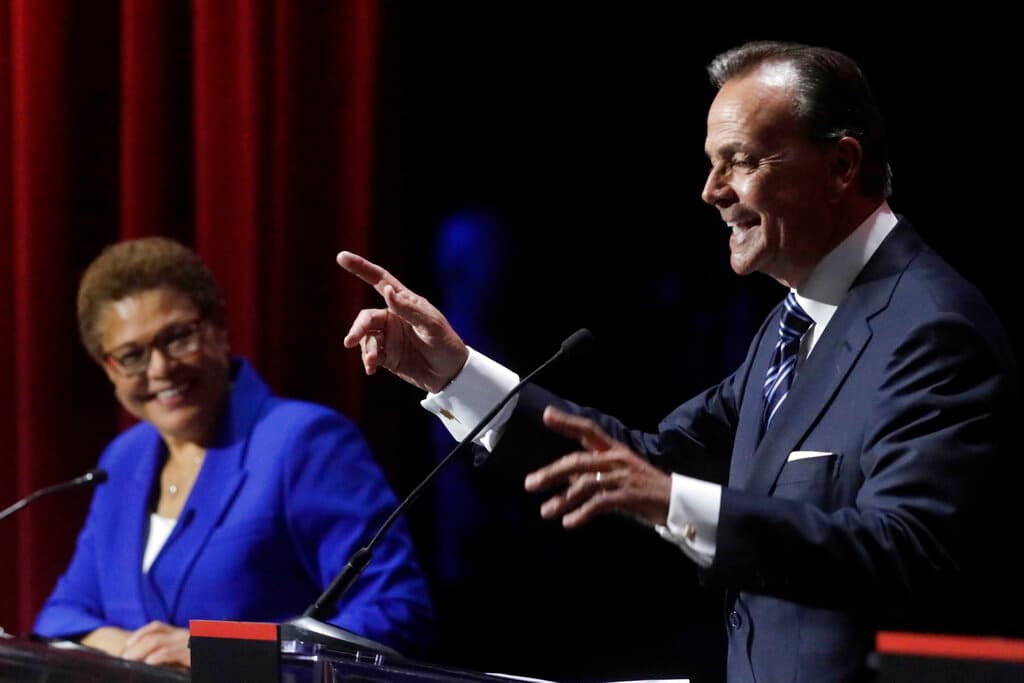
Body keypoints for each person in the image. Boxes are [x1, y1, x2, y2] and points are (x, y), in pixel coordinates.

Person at [337, 41, 1021, 682]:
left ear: (842, 165)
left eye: (742, 160)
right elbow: (648, 458)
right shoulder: (792, 323)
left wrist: (679, 504)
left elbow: (902, 549)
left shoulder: (932, 328)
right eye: (710, 161)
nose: (711, 190)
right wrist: (455, 375)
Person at [34, 237, 432, 668]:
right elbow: (62, 615)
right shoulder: (122, 460)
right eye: (131, 355)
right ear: (108, 368)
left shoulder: (302, 442)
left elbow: (397, 614)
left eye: (178, 337)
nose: (160, 368)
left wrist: (216, 653)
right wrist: (132, 651)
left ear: (219, 329)